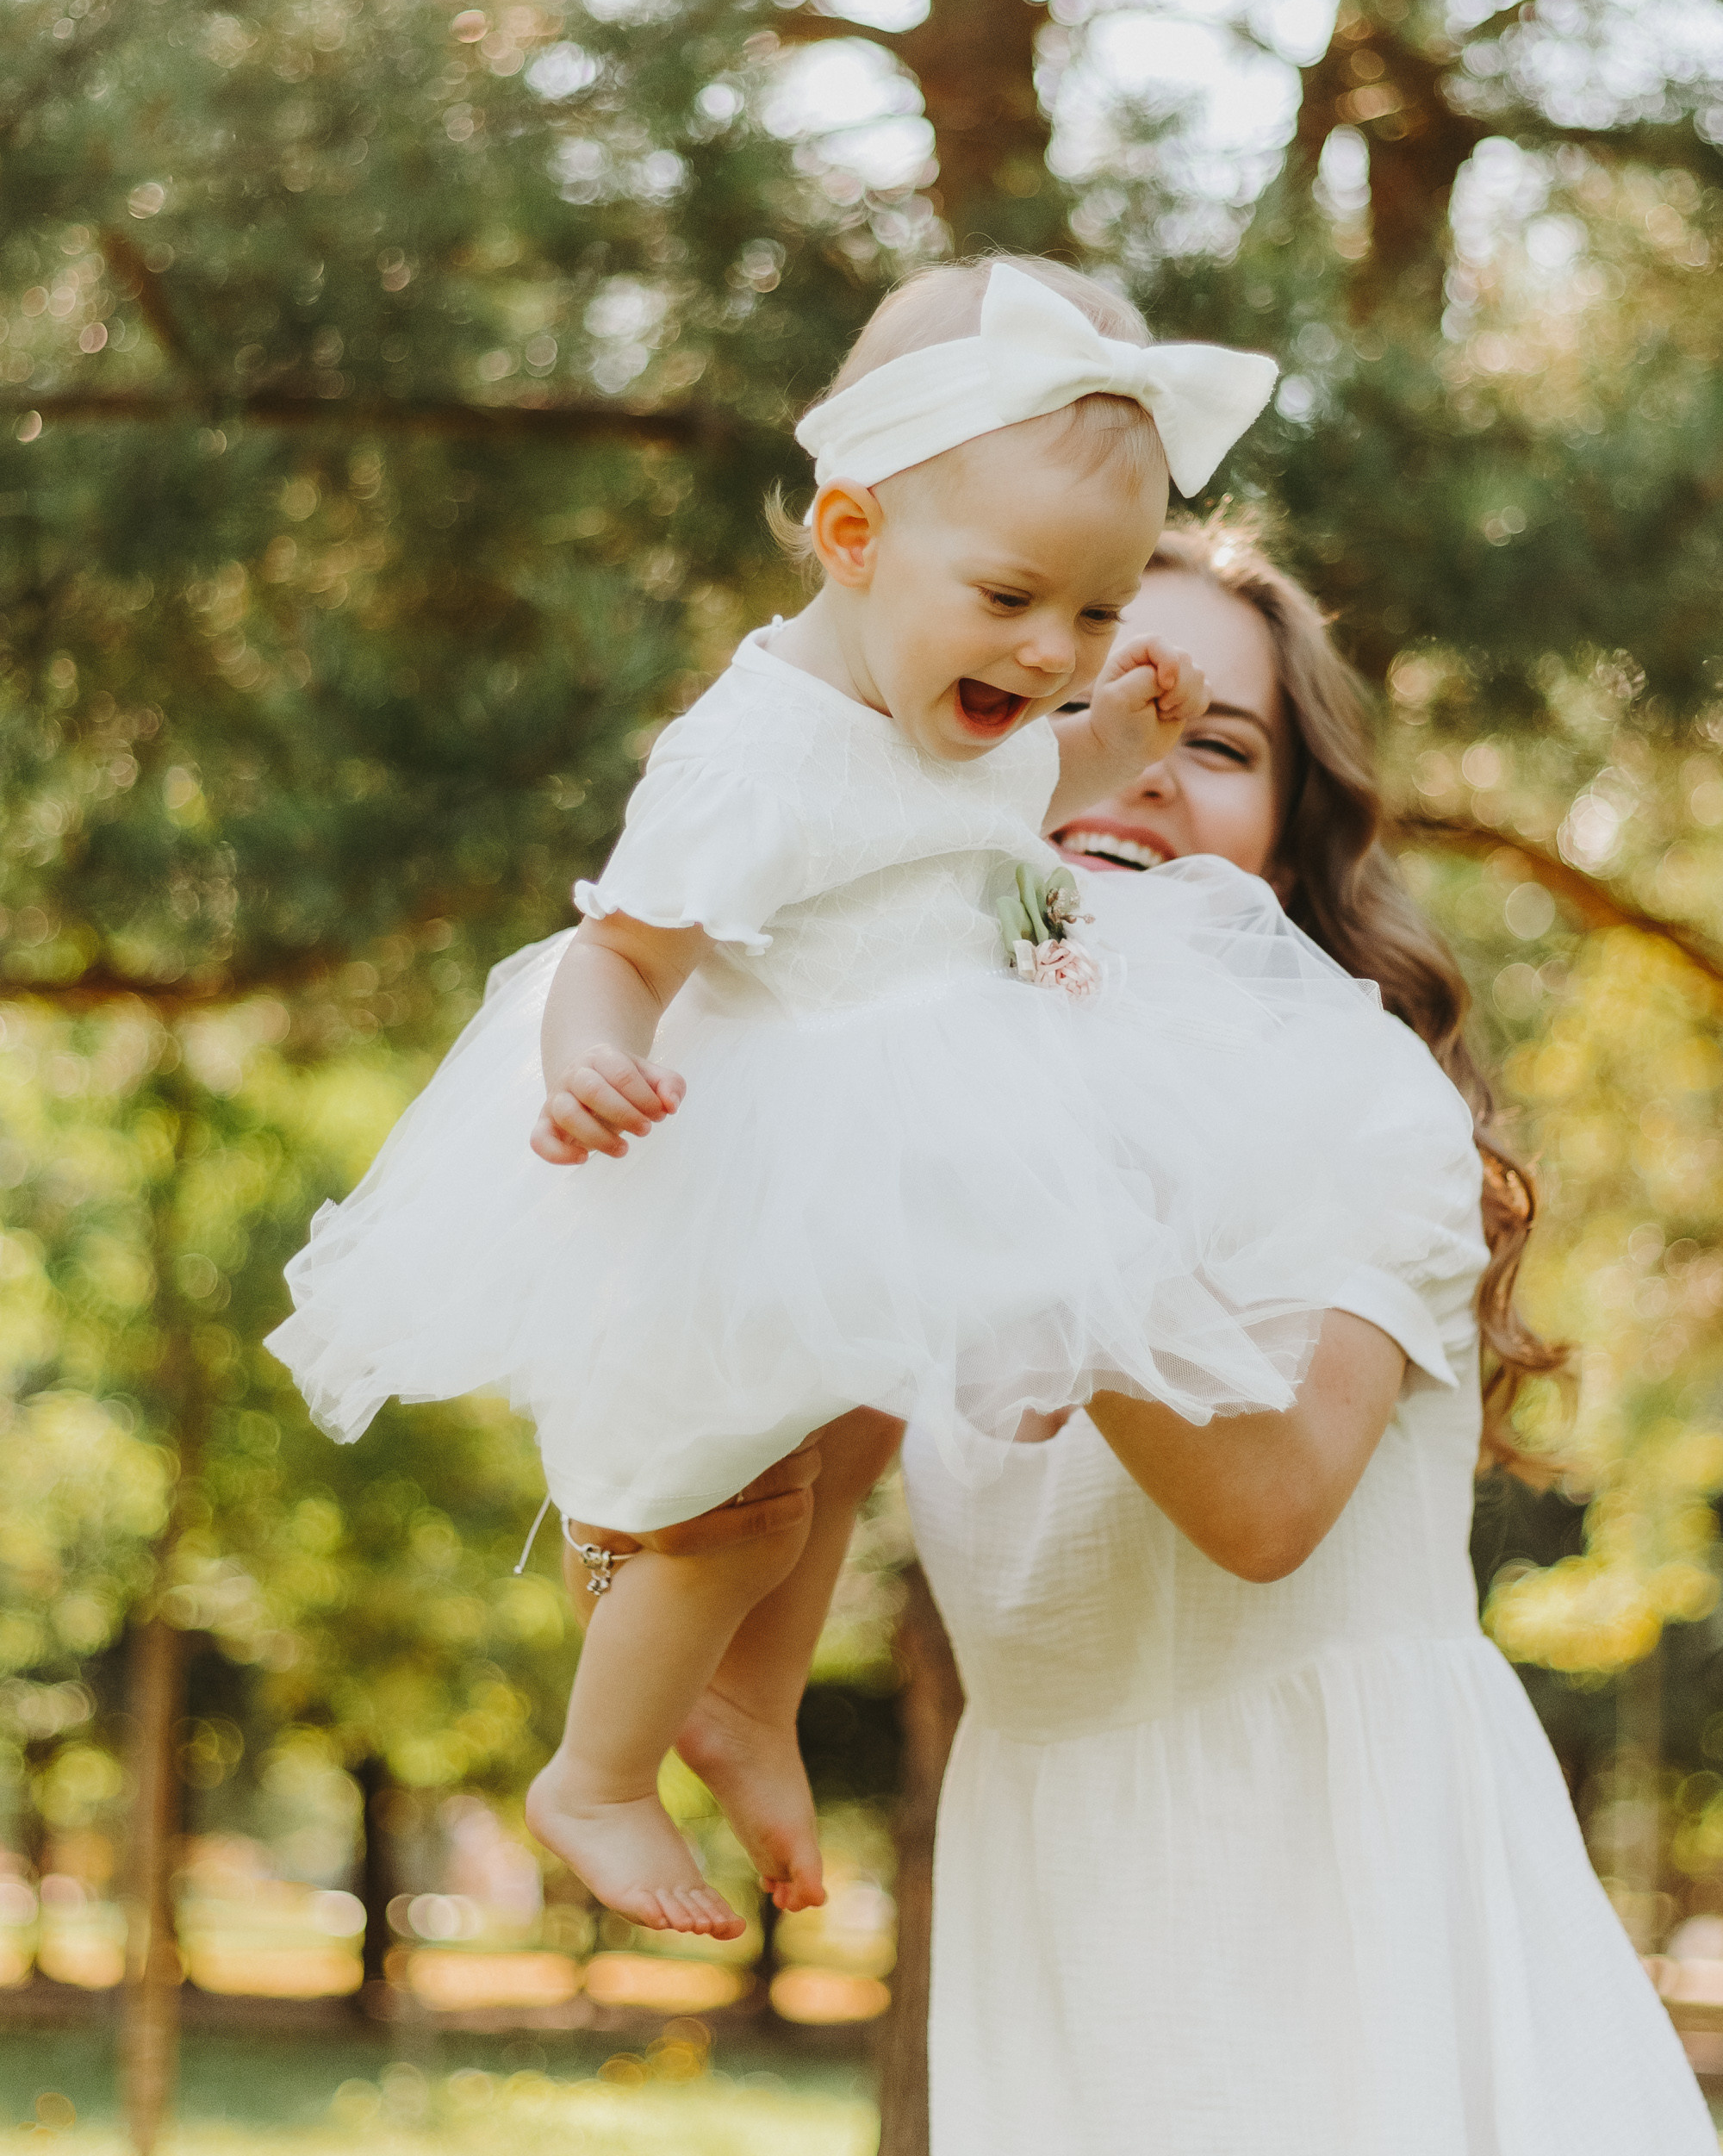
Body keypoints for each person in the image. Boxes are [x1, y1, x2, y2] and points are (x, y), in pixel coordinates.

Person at [265, 260, 1480, 1961]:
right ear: (851, 539)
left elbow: (1035, 778)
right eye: (1015, 599)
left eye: (1095, 624)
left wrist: (1110, 731)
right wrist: (585, 1065)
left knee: (823, 1465)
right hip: (767, 1136)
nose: (1054, 657)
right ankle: (599, 1771)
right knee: (725, 1506)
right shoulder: (759, 752)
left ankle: (741, 1707)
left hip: (902, 1162)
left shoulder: (989, 758)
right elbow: (621, 951)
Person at [905, 517, 1715, 2155]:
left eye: (1214, 743)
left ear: (1284, 850)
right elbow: (747, 1452)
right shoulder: (908, 1114)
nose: (1137, 765)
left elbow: (1267, 1503)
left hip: (1343, 1905)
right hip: (1058, 1911)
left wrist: (1043, 1152)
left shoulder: (1362, 1104)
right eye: (1081, 710)